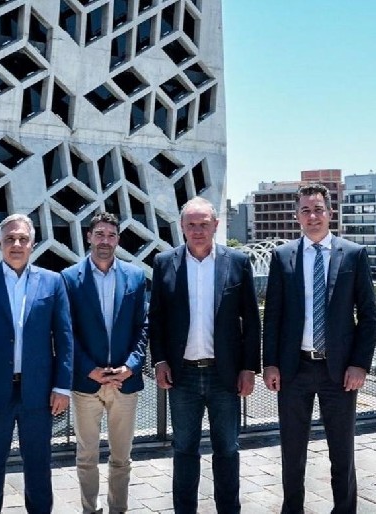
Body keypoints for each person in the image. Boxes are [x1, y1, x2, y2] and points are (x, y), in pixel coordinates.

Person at [263, 183, 376, 513]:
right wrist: (270, 363)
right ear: (297, 216)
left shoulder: (353, 254)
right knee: (292, 452)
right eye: (305, 210)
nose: (312, 216)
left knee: (342, 453)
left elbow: (369, 315)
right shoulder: (282, 256)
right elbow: (273, 315)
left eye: (318, 209)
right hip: (293, 369)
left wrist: (360, 364)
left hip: (339, 373)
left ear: (330, 212)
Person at [149, 196, 261, 514]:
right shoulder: (164, 262)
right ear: (182, 227)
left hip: (225, 375)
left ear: (216, 225)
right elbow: (156, 318)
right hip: (182, 375)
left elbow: (252, 320)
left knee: (227, 449)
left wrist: (249, 368)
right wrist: (159, 360)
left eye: (204, 224)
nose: (197, 230)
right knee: (184, 449)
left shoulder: (237, 262)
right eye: (191, 225)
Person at [0, 213, 74, 514]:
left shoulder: (53, 282)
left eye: (23, 239)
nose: (16, 244)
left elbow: (64, 338)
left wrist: (63, 386)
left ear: (32, 244)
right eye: (10, 238)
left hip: (39, 393)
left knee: (39, 467)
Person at [61, 212, 148, 514]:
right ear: (88, 237)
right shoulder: (69, 278)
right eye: (99, 234)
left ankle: (118, 509)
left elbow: (142, 327)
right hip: (87, 382)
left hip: (125, 381)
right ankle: (90, 509)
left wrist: (131, 366)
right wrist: (89, 369)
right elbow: (66, 331)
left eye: (111, 235)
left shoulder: (135, 277)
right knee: (86, 456)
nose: (105, 241)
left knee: (122, 458)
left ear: (118, 240)